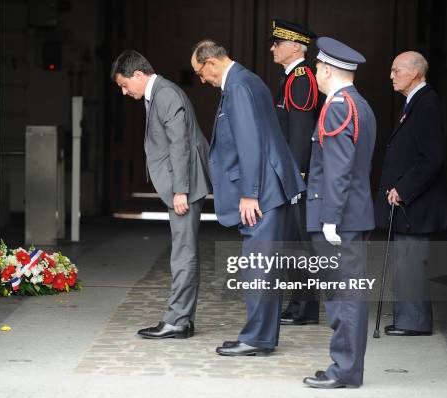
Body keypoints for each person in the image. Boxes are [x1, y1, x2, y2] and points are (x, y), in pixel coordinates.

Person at [190, 39, 305, 356]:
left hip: (262, 193)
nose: (202, 80)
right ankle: (259, 336)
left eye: (201, 73)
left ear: (211, 63)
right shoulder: (248, 79)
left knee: (259, 269)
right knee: (263, 268)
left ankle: (255, 339)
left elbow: (250, 142)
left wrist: (249, 194)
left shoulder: (238, 86)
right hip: (269, 188)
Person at [110, 50, 211, 339]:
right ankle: (183, 319)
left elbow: (179, 144)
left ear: (139, 75)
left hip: (185, 185)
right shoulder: (159, 93)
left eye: (125, 84)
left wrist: (181, 189)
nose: (125, 91)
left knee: (183, 253)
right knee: (184, 251)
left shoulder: (165, 94)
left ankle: (178, 320)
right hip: (184, 183)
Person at [302, 37, 376, 388]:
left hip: (340, 220)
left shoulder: (338, 106)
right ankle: (346, 367)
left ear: (328, 69)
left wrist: (329, 218)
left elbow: (338, 168)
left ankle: (344, 370)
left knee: (342, 297)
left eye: (318, 67)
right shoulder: (358, 103)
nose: (315, 72)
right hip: (353, 216)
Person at [375, 51, 447, 337]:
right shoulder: (414, 101)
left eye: (397, 71)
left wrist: (403, 189)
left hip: (416, 202)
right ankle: (408, 318)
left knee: (411, 261)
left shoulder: (426, 103)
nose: (391, 76)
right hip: (409, 202)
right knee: (405, 260)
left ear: (416, 73)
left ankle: (414, 322)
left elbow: (433, 157)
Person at [269, 19, 321, 326]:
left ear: (293, 47)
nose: (272, 48)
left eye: (277, 43)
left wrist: (296, 176)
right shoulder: (291, 78)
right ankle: (297, 303)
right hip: (291, 177)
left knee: (300, 244)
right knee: (292, 242)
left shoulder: (301, 79)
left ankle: (306, 308)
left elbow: (301, 134)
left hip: (297, 179)